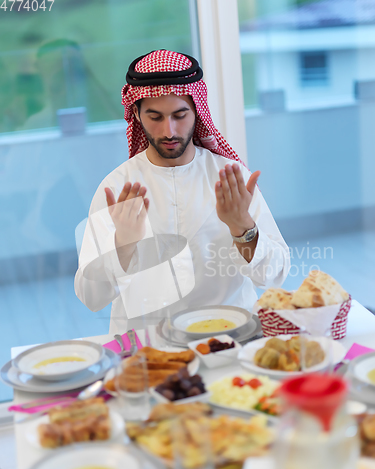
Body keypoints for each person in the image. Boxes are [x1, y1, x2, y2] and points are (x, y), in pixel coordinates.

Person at [74, 49, 290, 335]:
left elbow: (274, 276)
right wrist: (122, 246)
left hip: (230, 337)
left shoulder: (231, 178)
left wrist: (243, 228)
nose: (169, 130)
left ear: (197, 110)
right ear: (136, 114)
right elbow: (91, 298)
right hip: (148, 349)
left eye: (179, 115)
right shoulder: (117, 188)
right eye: (155, 117)